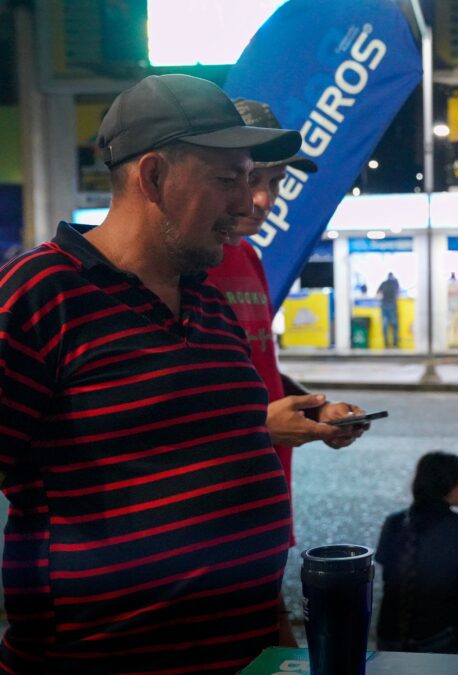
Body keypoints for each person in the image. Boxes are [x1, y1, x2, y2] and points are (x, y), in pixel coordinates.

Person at [0, 74, 310, 673]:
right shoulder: (40, 296)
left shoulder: (209, 305)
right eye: (228, 180)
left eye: (250, 179)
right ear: (153, 178)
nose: (247, 204)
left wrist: (273, 622)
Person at [206, 98, 368, 646]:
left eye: (274, 182)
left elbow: (255, 374)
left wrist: (314, 408)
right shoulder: (183, 267)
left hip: (264, 515)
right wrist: (258, 426)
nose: (262, 200)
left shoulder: (246, 258)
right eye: (248, 177)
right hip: (209, 532)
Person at [375, 452, 458, 653]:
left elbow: (392, 579)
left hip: (389, 637)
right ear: (449, 487)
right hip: (442, 639)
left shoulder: (393, 523)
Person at [377, 271, 401, 348]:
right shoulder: (395, 282)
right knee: (394, 325)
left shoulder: (384, 283)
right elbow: (398, 293)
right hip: (391, 306)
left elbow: (378, 293)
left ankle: (387, 343)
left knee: (386, 325)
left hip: (385, 306)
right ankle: (394, 343)